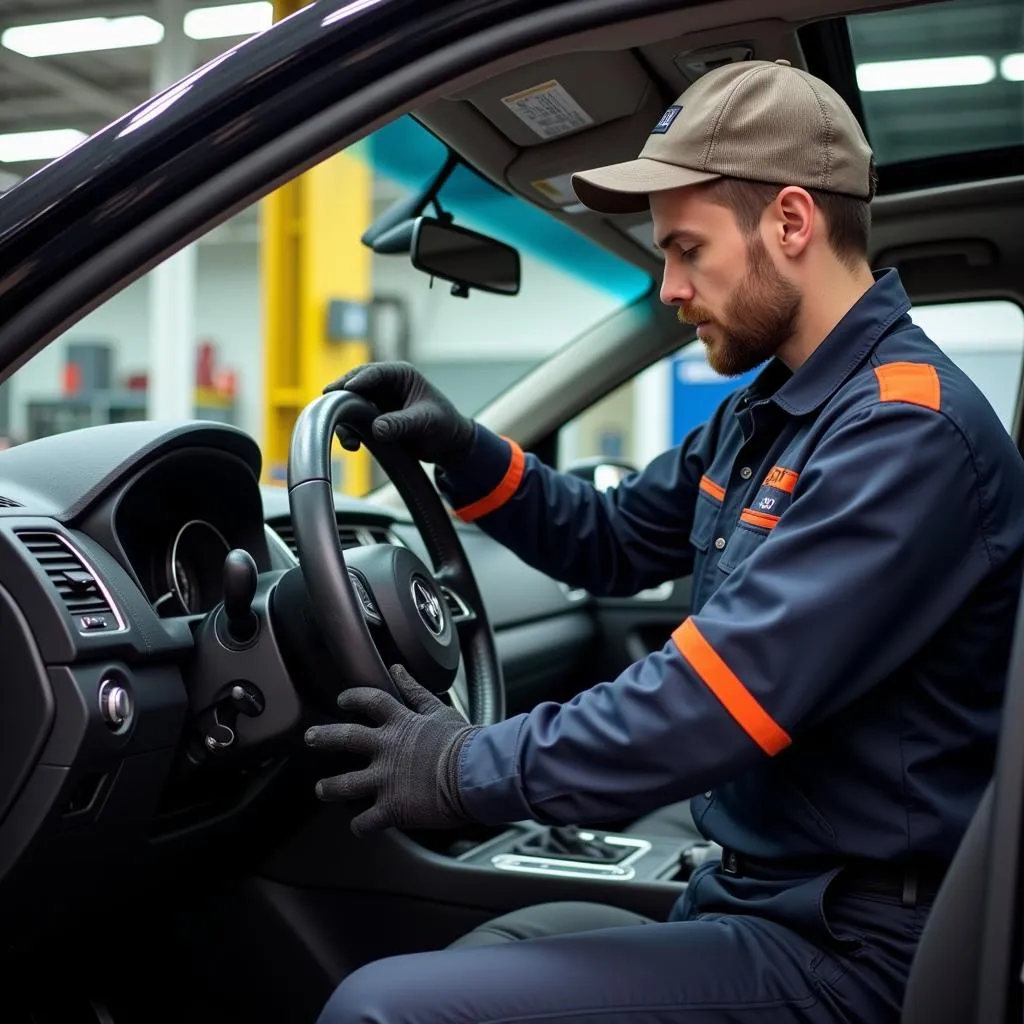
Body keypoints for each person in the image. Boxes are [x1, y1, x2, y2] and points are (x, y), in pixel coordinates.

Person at [306, 58, 1024, 1023]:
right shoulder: (771, 411)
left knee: (378, 1010)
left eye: (687, 250)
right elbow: (611, 539)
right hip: (759, 894)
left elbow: (717, 700)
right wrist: (466, 451)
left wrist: (461, 768)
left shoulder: (905, 432)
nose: (671, 289)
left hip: (853, 953)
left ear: (792, 222)